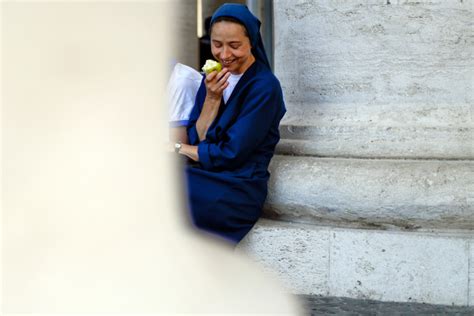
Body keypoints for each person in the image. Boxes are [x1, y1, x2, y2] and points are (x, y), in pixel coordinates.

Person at [174, 3, 286, 244]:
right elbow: (199, 139)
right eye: (217, 44)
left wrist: (178, 148)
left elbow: (231, 153)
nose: (224, 55)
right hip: (205, 176)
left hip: (237, 188)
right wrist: (212, 99)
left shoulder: (265, 87)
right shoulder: (211, 81)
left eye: (234, 46)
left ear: (251, 42)